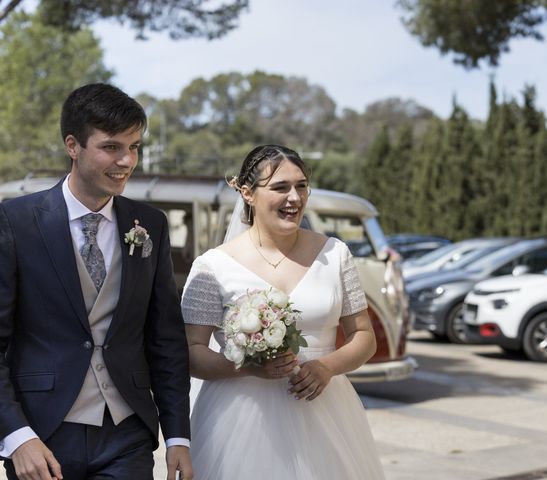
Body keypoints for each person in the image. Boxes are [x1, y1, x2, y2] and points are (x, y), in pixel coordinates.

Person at [0, 83, 193, 480]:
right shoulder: (15, 221)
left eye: (135, 146)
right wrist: (16, 436)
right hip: (42, 434)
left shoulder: (149, 224)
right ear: (73, 145)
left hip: (127, 436)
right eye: (111, 147)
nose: (127, 160)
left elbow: (165, 339)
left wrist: (178, 437)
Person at [182, 144, 385, 478]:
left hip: (325, 411)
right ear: (248, 194)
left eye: (302, 186)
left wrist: (325, 367)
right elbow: (191, 353)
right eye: (280, 188)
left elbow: (364, 336)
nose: (295, 198)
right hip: (238, 417)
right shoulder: (212, 266)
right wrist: (248, 367)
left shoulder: (335, 254)